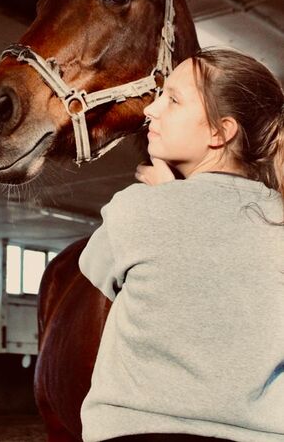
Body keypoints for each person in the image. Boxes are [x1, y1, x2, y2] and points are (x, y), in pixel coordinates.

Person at [79, 48, 284, 442]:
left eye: (173, 99)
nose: (150, 110)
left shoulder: (136, 208)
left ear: (219, 132)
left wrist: (169, 197)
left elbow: (98, 271)